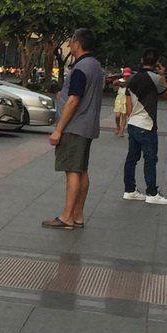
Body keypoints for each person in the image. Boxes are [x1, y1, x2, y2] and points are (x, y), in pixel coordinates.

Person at [43, 26, 103, 231]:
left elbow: (74, 100)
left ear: (77, 43)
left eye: (71, 41)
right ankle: (77, 215)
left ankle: (67, 216)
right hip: (87, 126)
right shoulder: (96, 66)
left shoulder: (81, 68)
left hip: (74, 127)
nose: (70, 44)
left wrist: (58, 129)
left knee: (72, 172)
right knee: (81, 170)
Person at [121, 51, 167, 206]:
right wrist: (162, 75)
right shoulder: (156, 79)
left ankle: (129, 190)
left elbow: (128, 102)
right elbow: (166, 95)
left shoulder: (131, 78)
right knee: (150, 159)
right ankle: (151, 193)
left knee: (132, 158)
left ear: (141, 60)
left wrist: (131, 118)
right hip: (147, 124)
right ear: (156, 63)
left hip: (133, 123)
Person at [113, 68, 131, 136]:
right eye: (125, 75)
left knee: (124, 115)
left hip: (126, 98)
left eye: (128, 75)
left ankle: (122, 131)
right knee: (117, 115)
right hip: (119, 98)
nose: (126, 76)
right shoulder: (119, 81)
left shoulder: (130, 81)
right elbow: (115, 90)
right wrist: (116, 84)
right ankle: (118, 126)